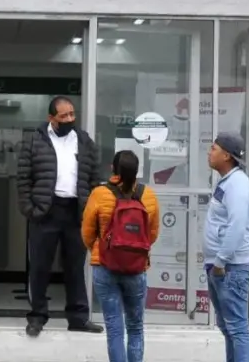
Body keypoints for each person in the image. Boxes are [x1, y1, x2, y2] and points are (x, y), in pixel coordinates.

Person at [17, 96, 104, 337]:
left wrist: (90, 209)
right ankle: (37, 317)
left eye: (72, 115)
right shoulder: (34, 141)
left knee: (75, 267)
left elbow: (94, 178)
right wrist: (30, 209)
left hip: (76, 211)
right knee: (40, 267)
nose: (69, 120)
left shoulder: (85, 141)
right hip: (45, 211)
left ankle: (78, 317)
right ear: (51, 118)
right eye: (64, 116)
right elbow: (23, 178)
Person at [82, 151, 160, 362]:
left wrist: (99, 249)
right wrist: (135, 251)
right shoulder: (149, 195)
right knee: (135, 327)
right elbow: (152, 234)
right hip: (136, 268)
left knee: (115, 328)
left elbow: (87, 232)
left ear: (112, 169)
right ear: (137, 171)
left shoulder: (99, 193)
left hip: (105, 267)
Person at [204, 133, 249, 362]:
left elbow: (237, 225)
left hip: (229, 267)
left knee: (237, 328)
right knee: (228, 328)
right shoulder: (227, 182)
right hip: (220, 266)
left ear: (226, 155)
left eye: (213, 148)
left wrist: (220, 261)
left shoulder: (238, 184)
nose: (209, 152)